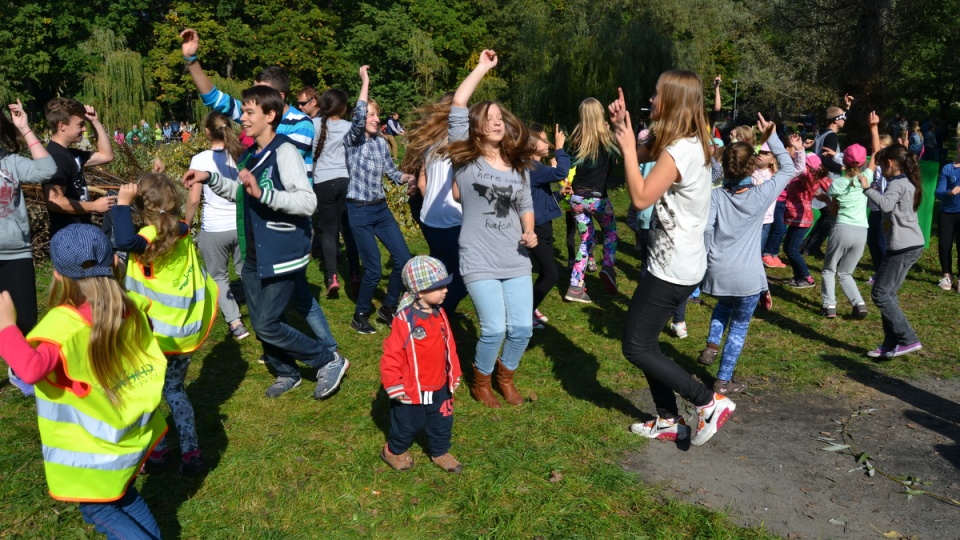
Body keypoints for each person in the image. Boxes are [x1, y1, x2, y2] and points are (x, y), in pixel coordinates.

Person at [0, 224, 167, 539]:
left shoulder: (64, 327)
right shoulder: (130, 308)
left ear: (58, 275)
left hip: (94, 455)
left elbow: (30, 371)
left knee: (98, 508)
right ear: (114, 263)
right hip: (130, 439)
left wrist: (6, 327)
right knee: (123, 495)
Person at [183, 85, 350, 398]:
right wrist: (210, 179)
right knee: (266, 321)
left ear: (270, 116)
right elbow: (239, 192)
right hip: (254, 253)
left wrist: (265, 195)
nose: (242, 119)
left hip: (281, 252)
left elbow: (306, 202)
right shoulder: (249, 155)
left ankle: (328, 359)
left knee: (267, 324)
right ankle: (288, 372)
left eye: (249, 112)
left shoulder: (284, 151)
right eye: (243, 112)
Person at [609, 74, 735, 446]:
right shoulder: (689, 141)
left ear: (674, 102)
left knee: (635, 346)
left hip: (672, 266)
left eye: (656, 94)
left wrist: (630, 149)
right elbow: (646, 151)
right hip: (680, 261)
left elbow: (641, 197)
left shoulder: (680, 151)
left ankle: (707, 402)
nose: (651, 98)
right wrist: (627, 134)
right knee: (647, 344)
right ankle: (667, 419)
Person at [447, 50, 538, 408]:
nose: (497, 122)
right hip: (478, 256)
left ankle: (506, 376)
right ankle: (481, 381)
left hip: (515, 256)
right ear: (476, 126)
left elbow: (525, 204)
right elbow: (457, 103)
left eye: (500, 117)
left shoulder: (517, 163)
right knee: (494, 329)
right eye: (489, 118)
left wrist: (529, 231)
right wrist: (482, 68)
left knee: (522, 329)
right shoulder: (465, 157)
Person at [111, 175, 217, 475]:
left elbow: (123, 240)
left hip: (151, 336)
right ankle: (192, 453)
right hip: (181, 334)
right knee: (175, 391)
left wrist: (121, 205)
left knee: (148, 393)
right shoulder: (182, 231)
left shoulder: (144, 237)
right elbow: (173, 224)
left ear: (142, 207)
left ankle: (157, 452)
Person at [698, 115, 796, 395]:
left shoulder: (715, 196)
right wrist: (770, 138)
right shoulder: (762, 194)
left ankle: (711, 345)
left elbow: (706, 231)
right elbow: (788, 168)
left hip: (718, 271)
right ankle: (723, 379)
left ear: (724, 168)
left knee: (722, 307)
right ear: (752, 166)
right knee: (739, 327)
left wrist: (705, 261)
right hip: (748, 277)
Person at [344, 66, 415, 334]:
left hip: (381, 210)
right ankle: (360, 314)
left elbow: (392, 172)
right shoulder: (352, 141)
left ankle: (388, 308)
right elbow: (359, 113)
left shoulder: (380, 143)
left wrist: (410, 178)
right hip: (359, 211)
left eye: (377, 113)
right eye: (371, 114)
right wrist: (365, 81)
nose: (375, 118)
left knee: (403, 259)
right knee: (373, 268)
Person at [379, 256, 463, 473]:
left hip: (440, 385)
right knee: (408, 424)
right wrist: (394, 385)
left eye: (445, 285)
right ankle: (394, 451)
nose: (445, 290)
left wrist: (454, 373)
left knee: (443, 420)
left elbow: (449, 346)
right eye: (439, 287)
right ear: (420, 292)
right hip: (413, 389)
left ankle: (440, 451)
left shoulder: (440, 313)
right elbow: (391, 355)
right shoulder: (404, 321)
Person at [0, 99, 57, 396]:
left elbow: (46, 170)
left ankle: (20, 368)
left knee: (25, 319)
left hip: (15, 254)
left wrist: (24, 128)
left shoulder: (10, 161)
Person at [183, 111, 251, 340]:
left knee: (218, 276)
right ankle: (260, 311)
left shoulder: (200, 160)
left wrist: (186, 223)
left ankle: (235, 323)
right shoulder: (242, 154)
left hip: (214, 228)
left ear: (207, 132)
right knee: (245, 271)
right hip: (241, 223)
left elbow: (194, 198)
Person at [400, 93, 468, 315]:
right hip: (453, 219)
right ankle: (432, 317)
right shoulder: (462, 143)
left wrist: (433, 203)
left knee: (440, 271)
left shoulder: (432, 143)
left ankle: (422, 307)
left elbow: (421, 183)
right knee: (462, 279)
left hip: (430, 218)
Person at [863, 144, 925, 358]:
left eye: (881, 166)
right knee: (887, 293)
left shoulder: (897, 183)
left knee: (880, 294)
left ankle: (908, 338)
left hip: (901, 247)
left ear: (889, 164)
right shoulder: (908, 181)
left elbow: (886, 205)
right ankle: (891, 343)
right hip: (911, 245)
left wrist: (867, 188)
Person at [564, 98, 620, 303]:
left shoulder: (576, 139)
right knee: (611, 232)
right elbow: (613, 166)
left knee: (586, 240)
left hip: (577, 198)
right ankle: (607, 267)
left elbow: (568, 164)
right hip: (598, 200)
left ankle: (575, 286)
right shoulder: (607, 139)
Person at [312, 88, 361, 297]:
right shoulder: (349, 127)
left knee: (329, 230)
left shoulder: (313, 124)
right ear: (343, 107)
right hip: (345, 180)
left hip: (323, 181)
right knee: (348, 230)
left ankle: (332, 276)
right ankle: (355, 273)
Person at [43, 97, 116, 237]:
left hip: (80, 230)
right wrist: (94, 206)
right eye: (80, 124)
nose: (84, 129)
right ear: (62, 126)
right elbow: (54, 200)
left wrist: (94, 121)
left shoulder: (70, 154)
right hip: (69, 235)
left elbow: (107, 155)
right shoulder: (56, 158)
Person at [819, 143, 870, 319]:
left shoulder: (837, 184)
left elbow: (834, 211)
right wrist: (874, 128)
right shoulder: (866, 179)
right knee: (846, 272)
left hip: (842, 229)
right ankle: (859, 304)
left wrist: (826, 199)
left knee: (829, 269)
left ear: (844, 163)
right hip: (862, 232)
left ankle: (829, 306)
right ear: (863, 162)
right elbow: (876, 154)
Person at [528, 123, 570, 327]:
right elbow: (562, 172)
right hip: (536, 227)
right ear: (531, 144)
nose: (549, 143)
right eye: (544, 139)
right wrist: (560, 148)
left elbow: (539, 199)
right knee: (551, 274)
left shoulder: (534, 168)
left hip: (542, 224)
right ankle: (526, 314)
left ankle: (530, 307)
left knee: (546, 271)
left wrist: (558, 196)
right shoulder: (533, 167)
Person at [782, 153, 830, 288]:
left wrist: (799, 151)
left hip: (802, 217)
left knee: (792, 249)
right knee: (788, 248)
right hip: (796, 217)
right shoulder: (808, 177)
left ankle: (807, 277)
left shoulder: (808, 178)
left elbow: (828, 185)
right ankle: (798, 276)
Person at [936, 138, 960, 291]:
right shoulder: (948, 168)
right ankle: (947, 276)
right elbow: (938, 192)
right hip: (947, 213)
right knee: (944, 245)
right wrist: (949, 192)